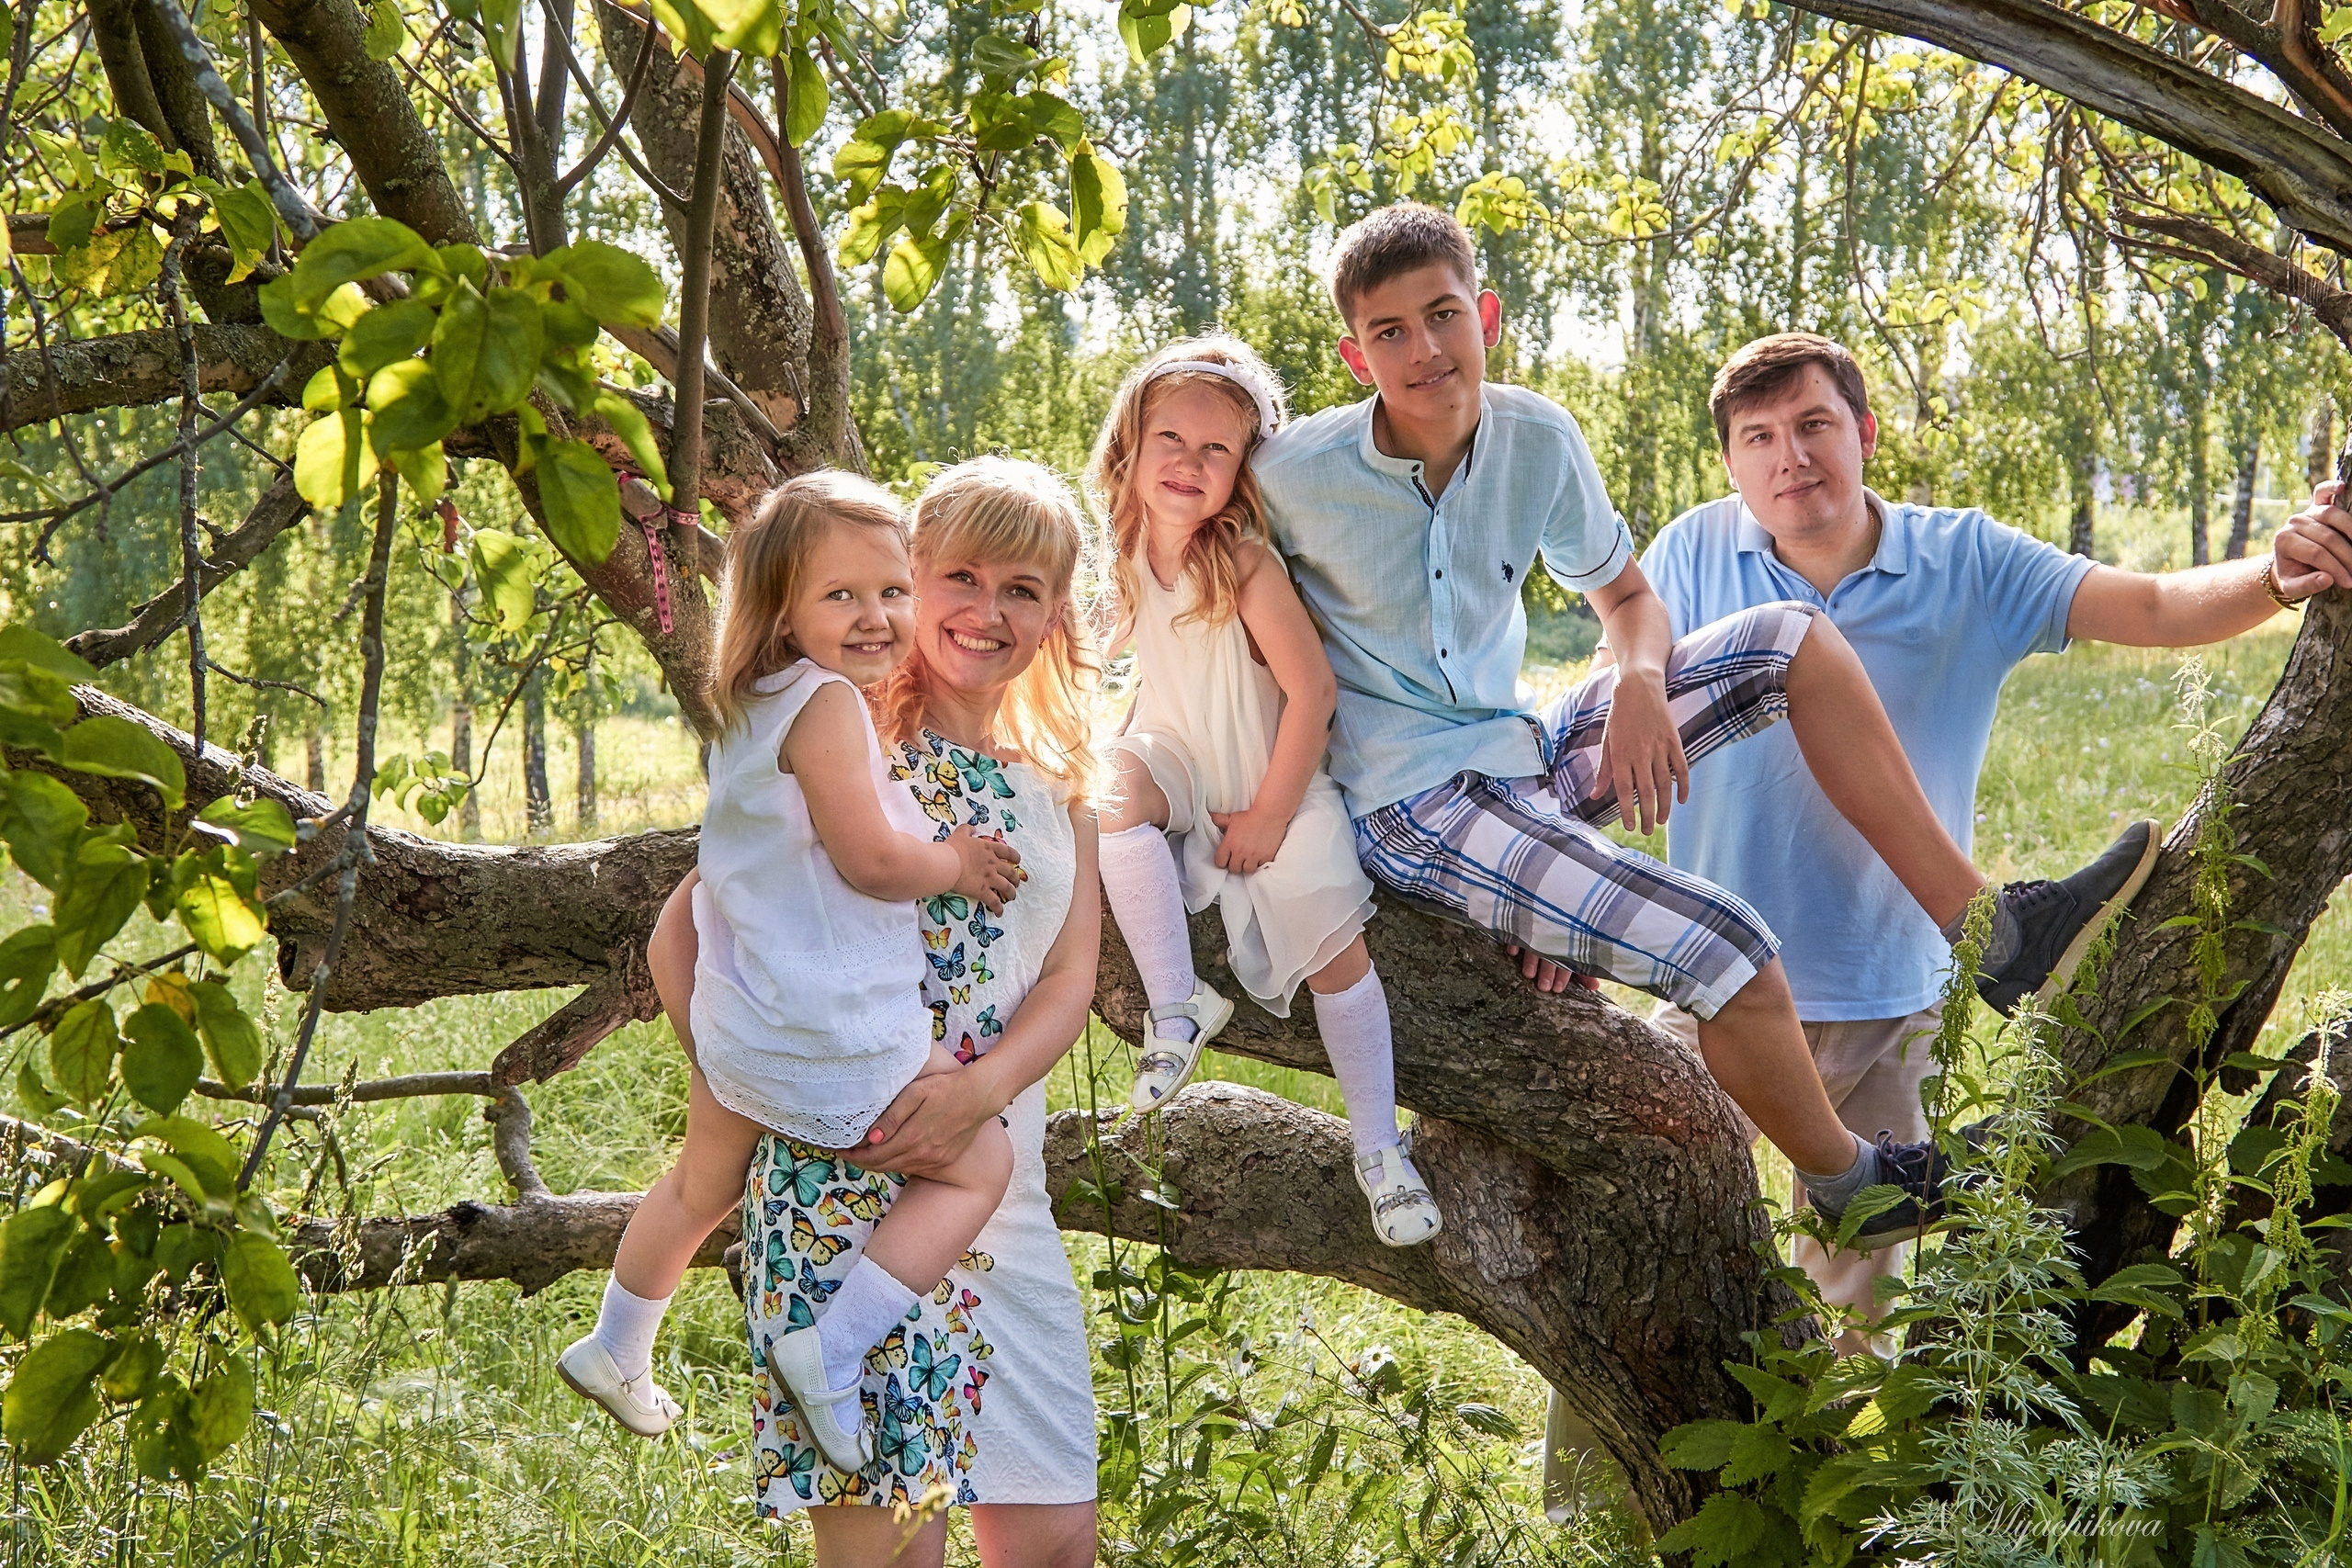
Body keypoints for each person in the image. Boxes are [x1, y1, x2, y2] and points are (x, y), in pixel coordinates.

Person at [1250, 202, 2157, 1251]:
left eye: (1442, 313)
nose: (1424, 349)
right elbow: (1185, 574)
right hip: (1413, 806)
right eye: (1390, 331)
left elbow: (1631, 604)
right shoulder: (1292, 475)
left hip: (1515, 758)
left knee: (1792, 634)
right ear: (1353, 354)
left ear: (1485, 314)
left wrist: (1639, 679)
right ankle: (1848, 1178)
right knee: (1728, 944)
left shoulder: (1536, 435)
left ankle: (1992, 936)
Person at [1624, 330, 2352, 1353]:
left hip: (1893, 997)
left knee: (1856, 1322)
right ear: (1733, 462)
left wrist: (2276, 575)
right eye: (1760, 437)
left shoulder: (1958, 555)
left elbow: (2142, 603)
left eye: (1814, 425)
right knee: (1640, 1275)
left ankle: (1831, 1506)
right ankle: (1591, 1518)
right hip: (1716, 996)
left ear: (1864, 433)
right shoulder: (1688, 555)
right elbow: (1620, 705)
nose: (1791, 456)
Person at [644, 457, 1103, 1568]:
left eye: (1025, 588)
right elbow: (682, 939)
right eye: (959, 576)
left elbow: (1068, 984)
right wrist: (778, 1096)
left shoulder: (1066, 781)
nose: (987, 612)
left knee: (1055, 1543)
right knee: (890, 1554)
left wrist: (977, 1098)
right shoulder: (840, 743)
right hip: (853, 1183)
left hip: (997, 1179)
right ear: (908, 579)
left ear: (1055, 616)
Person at [559, 473, 1023, 1474]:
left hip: (747, 1013)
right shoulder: (825, 710)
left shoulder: (748, 708)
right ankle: (835, 1347)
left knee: (699, 1185)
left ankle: (615, 1344)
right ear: (779, 608)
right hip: (826, 1030)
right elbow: (871, 861)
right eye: (841, 597)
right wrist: (961, 863)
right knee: (980, 1163)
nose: (875, 618)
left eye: (892, 592)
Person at [1089, 333, 1441, 1247]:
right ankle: (1177, 1005)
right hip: (1178, 759)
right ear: (1129, 443)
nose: (1189, 464)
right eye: (1171, 438)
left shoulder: (1238, 559)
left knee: (1331, 948)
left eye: (1217, 451)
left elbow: (1310, 691)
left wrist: (1274, 814)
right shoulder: (1126, 548)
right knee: (1108, 791)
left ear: (1244, 472)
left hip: (1265, 773)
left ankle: (1378, 1150)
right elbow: (1107, 649)